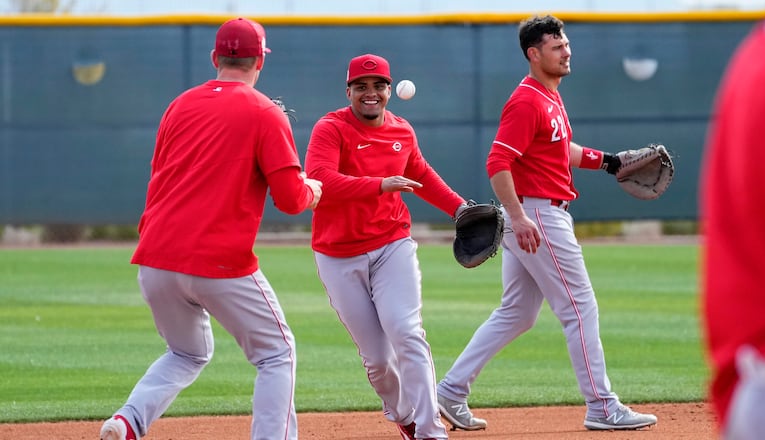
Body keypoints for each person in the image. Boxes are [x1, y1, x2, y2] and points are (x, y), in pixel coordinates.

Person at [99, 17, 322, 440]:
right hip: (219, 261)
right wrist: (313, 188)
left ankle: (128, 421)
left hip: (155, 256)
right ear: (260, 62)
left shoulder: (179, 105)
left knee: (186, 352)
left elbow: (157, 175)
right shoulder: (264, 112)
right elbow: (291, 200)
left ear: (215, 58)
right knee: (277, 353)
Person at [435, 14, 658, 432]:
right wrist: (518, 217)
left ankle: (449, 391)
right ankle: (602, 405)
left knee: (517, 313)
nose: (567, 50)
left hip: (537, 213)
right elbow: (497, 162)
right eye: (557, 46)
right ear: (534, 54)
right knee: (580, 308)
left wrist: (609, 162)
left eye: (566, 43)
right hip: (537, 215)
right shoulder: (526, 100)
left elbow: (558, 148)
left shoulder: (548, 96)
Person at [304, 53, 466, 440]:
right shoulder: (330, 128)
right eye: (361, 87)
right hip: (338, 254)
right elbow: (319, 179)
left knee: (407, 331)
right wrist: (378, 184)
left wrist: (460, 209)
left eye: (378, 86)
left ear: (390, 90)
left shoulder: (402, 131)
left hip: (392, 243)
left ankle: (431, 430)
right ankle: (402, 414)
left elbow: (420, 173)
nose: (370, 93)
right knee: (377, 360)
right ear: (349, 92)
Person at [701, 8, 765, 440]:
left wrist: (605, 162)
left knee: (530, 312)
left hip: (761, 382)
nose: (564, 49)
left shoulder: (760, 48)